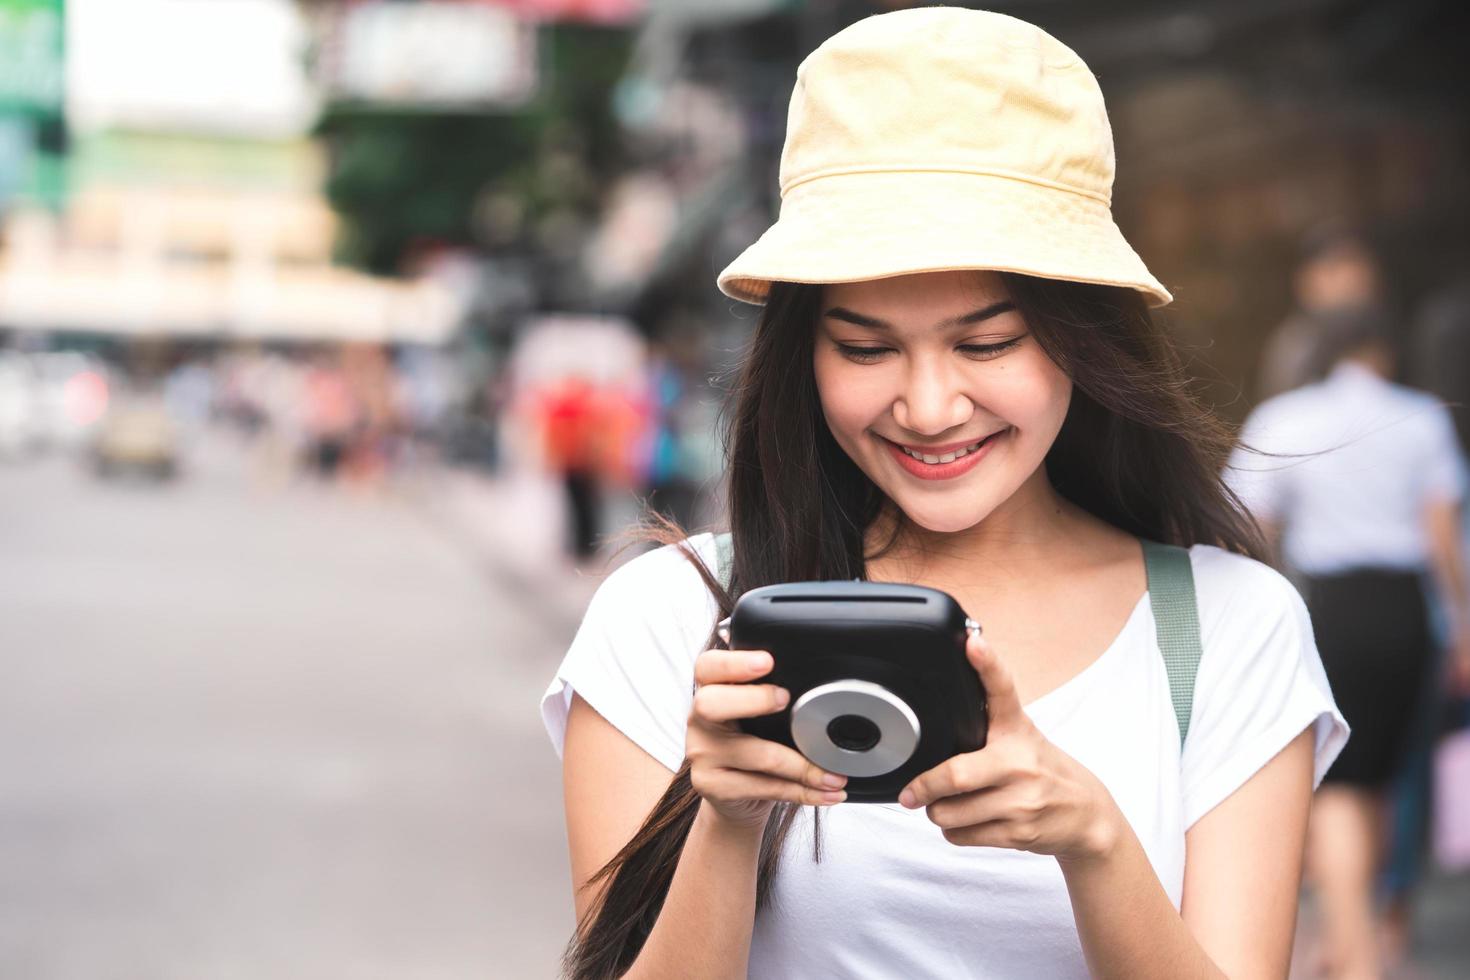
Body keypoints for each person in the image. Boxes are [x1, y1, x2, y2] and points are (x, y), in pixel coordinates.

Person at [543, 10, 1347, 978]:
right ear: (803, 352)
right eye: (866, 346)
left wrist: (1096, 841)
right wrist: (728, 814)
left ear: (1079, 339)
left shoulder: (1233, 627)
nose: (928, 407)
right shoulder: (668, 618)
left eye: (987, 342)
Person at [1229, 308, 1470, 978]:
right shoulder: (1420, 415)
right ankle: (1357, 941)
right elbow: (1443, 535)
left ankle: (1355, 953)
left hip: (1329, 610)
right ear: (1380, 350)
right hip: (1406, 612)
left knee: (1336, 784)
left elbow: (1247, 528)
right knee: (1385, 779)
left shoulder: (1284, 418)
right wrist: (1463, 630)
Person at [1256, 227, 1384, 402]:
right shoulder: (1294, 344)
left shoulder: (1387, 334)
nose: (1349, 279)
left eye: (1356, 265)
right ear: (1306, 280)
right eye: (1334, 269)